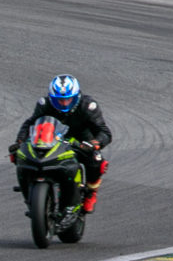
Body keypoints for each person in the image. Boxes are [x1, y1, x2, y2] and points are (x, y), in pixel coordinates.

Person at [9, 74, 113, 213]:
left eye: (68, 100)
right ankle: (28, 188)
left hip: (81, 140)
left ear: (76, 97)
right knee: (19, 154)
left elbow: (104, 131)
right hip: (52, 137)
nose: (64, 104)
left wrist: (94, 143)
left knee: (96, 160)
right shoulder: (44, 104)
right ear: (52, 98)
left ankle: (90, 192)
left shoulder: (88, 106)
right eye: (59, 101)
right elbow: (30, 123)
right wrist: (20, 142)